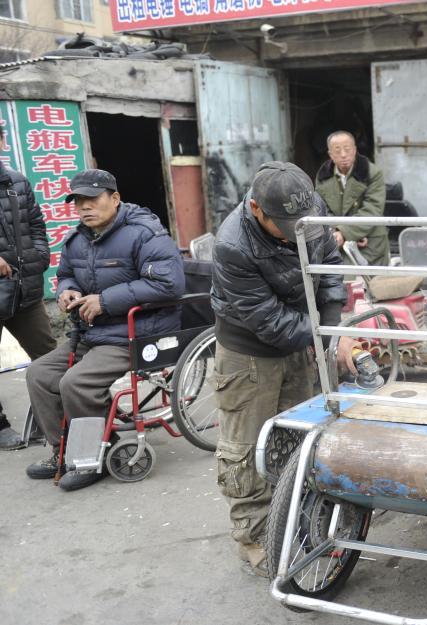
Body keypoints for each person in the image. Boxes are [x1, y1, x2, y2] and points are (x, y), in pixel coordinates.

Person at [211, 161, 353, 577]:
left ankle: (299, 522)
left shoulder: (309, 210)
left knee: (300, 438)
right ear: (257, 208)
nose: (297, 232)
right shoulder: (232, 245)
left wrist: (332, 331)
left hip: (304, 334)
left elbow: (330, 266)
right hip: (249, 351)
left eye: (302, 223)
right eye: (286, 226)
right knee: (247, 449)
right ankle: (255, 537)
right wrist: (322, 333)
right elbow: (270, 322)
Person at [25, 169, 185, 491]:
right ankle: (63, 451)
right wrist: (67, 291)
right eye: (78, 201)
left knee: (77, 382)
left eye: (92, 199)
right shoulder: (78, 239)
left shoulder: (144, 233)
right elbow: (66, 274)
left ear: (115, 199)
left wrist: (106, 301)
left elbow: (169, 284)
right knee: (39, 374)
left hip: (136, 333)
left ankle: (92, 455)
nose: (84, 207)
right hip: (92, 333)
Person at [0, 126, 57, 449]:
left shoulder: (17, 182)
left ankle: (55, 416)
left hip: (25, 288)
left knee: (48, 354)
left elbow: (36, 224)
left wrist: (39, 257)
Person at [314, 130, 389, 265]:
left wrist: (346, 232)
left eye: (347, 149)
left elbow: (372, 209)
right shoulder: (323, 175)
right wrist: (335, 232)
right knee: (335, 275)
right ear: (330, 155)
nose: (343, 155)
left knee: (363, 277)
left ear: (354, 150)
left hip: (369, 238)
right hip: (336, 239)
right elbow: (322, 209)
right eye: (337, 151)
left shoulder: (372, 173)